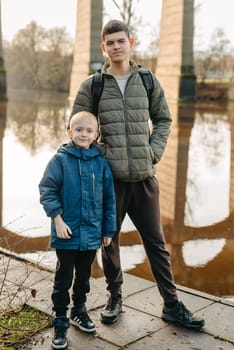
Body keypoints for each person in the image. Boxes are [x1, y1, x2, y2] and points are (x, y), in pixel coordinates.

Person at [70, 19, 205, 330]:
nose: (117, 46)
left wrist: (153, 152)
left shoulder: (148, 80)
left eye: (121, 41)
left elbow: (163, 120)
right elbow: (78, 128)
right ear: (103, 47)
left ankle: (171, 304)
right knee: (110, 241)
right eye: (111, 43)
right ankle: (115, 297)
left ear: (131, 43)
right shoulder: (93, 85)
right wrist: (102, 156)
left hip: (144, 178)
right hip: (110, 181)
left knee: (156, 242)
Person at [39, 111, 116, 349]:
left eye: (89, 131)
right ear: (70, 132)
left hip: (92, 233)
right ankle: (61, 319)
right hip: (67, 233)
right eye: (79, 130)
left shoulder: (100, 163)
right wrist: (57, 220)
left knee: (83, 277)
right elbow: (47, 190)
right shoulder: (60, 160)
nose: (84, 134)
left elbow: (109, 200)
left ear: (96, 135)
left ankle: (79, 310)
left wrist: (108, 230)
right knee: (63, 279)